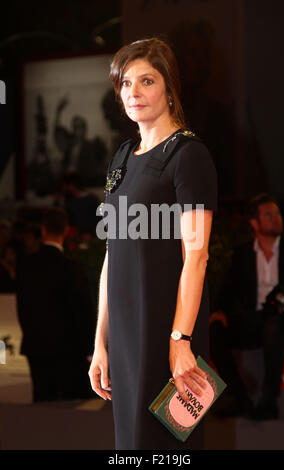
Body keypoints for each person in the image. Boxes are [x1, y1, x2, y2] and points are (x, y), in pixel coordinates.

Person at [88, 38, 218, 450]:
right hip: (124, 333)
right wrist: (100, 341)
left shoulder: (189, 155)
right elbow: (112, 252)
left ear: (169, 89)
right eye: (126, 83)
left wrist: (182, 341)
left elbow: (196, 257)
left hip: (168, 329)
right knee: (131, 445)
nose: (134, 93)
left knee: (168, 448)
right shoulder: (123, 156)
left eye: (147, 81)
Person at [209, 193, 284, 419]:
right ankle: (240, 398)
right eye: (268, 215)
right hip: (254, 318)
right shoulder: (243, 253)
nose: (276, 218)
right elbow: (229, 288)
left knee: (274, 327)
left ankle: (268, 402)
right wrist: (219, 311)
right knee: (215, 332)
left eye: (277, 213)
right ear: (254, 223)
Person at [16, 207, 94, 402]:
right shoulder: (70, 267)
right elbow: (82, 311)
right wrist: (89, 348)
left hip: (37, 347)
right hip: (69, 350)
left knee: (43, 405)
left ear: (43, 230)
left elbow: (23, 309)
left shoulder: (25, 266)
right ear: (67, 231)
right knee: (73, 407)